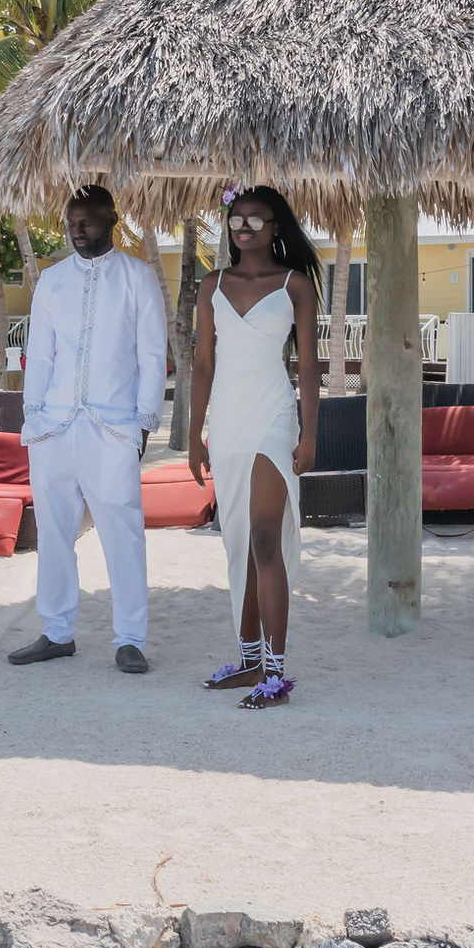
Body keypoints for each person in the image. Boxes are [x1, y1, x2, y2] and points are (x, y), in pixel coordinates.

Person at [8, 185, 167, 674]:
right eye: (71, 222)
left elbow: (152, 355)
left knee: (123, 532)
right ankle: (57, 632)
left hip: (113, 426)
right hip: (53, 427)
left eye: (87, 221)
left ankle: (130, 639)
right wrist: (34, 416)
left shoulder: (139, 277)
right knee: (53, 531)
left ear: (112, 219)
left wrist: (143, 423)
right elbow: (40, 353)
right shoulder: (53, 280)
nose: (77, 230)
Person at [188, 186, 320, 709]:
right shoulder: (211, 285)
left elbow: (309, 368)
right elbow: (203, 364)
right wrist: (195, 435)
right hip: (227, 421)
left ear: (275, 227)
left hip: (272, 417)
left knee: (265, 539)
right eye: (237, 219)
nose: (244, 227)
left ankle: (276, 674)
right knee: (239, 540)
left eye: (256, 220)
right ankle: (248, 663)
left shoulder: (295, 285)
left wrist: (310, 433)